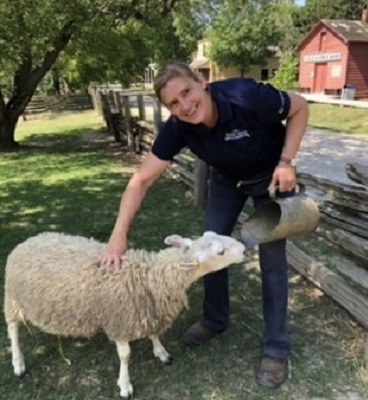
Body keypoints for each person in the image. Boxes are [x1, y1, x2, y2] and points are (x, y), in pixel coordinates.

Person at [100, 60, 309, 389]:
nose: (185, 105)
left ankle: (276, 347)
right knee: (207, 252)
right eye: (174, 103)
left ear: (201, 81)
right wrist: (118, 236)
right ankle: (214, 319)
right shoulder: (178, 127)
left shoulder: (245, 95)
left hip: (270, 179)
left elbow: (300, 107)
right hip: (227, 181)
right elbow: (140, 180)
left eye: (187, 92)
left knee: (272, 263)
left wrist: (286, 162)